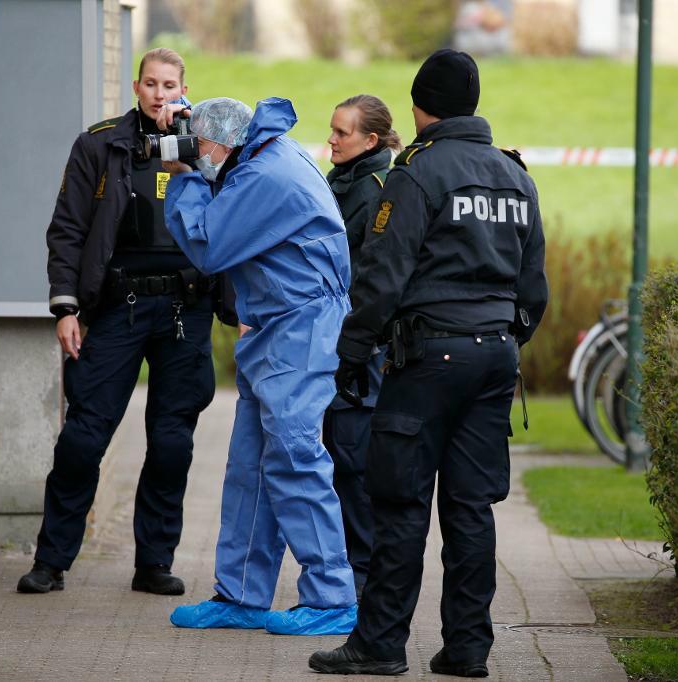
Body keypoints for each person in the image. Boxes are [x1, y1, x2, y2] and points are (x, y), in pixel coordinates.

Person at [309, 49, 548, 677]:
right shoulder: (514, 176)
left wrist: (351, 354)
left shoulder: (417, 174)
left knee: (399, 505)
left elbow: (382, 279)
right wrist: (503, 338)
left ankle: (381, 645)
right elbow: (534, 287)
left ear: (420, 105)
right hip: (495, 358)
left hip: (426, 361)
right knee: (471, 510)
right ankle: (468, 650)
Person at [17, 48, 234, 596]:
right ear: (137, 87)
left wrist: (240, 313)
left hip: (187, 309)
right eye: (152, 84)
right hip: (118, 307)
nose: (161, 95)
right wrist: (66, 307)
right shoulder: (101, 143)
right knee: (84, 439)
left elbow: (239, 221)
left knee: (171, 443)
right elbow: (67, 227)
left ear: (185, 89)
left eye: (171, 85)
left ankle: (154, 563)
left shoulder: (209, 146)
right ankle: (51, 560)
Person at [159, 96, 359, 636]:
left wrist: (185, 176)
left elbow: (207, 244)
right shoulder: (258, 154)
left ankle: (333, 597)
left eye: (199, 146)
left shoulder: (266, 173)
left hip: (299, 328)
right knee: (251, 463)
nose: (195, 155)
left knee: (295, 456)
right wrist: (191, 136)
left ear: (221, 143)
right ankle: (242, 595)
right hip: (275, 325)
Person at [323, 94, 400, 598]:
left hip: (360, 350)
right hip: (336, 341)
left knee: (353, 464)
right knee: (339, 460)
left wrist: (356, 347)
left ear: (370, 140)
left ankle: (365, 584)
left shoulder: (375, 191)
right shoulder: (342, 181)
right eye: (331, 130)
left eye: (341, 133)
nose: (330, 140)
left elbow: (372, 277)